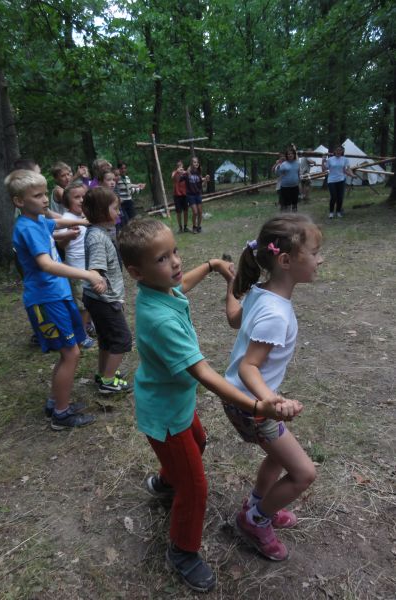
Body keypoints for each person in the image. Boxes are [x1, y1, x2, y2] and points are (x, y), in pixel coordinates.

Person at [118, 218, 301, 593]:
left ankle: (164, 482)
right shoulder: (158, 320)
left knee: (198, 445)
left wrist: (213, 266)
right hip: (165, 415)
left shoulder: (160, 290)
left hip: (176, 404)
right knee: (196, 487)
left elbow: (181, 287)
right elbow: (205, 373)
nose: (174, 263)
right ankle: (182, 550)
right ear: (137, 272)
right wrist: (257, 404)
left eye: (174, 252)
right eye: (161, 259)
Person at [224, 213, 322, 561]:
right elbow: (250, 366)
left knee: (277, 457)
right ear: (285, 260)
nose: (319, 259)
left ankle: (258, 504)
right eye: (314, 252)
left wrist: (230, 285)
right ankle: (255, 520)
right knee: (303, 473)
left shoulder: (258, 291)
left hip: (240, 400)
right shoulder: (276, 313)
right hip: (252, 405)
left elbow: (234, 318)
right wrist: (271, 401)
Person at [7, 169, 106, 430]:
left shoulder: (38, 220)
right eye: (37, 195)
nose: (44, 200)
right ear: (19, 201)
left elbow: (55, 220)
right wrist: (87, 273)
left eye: (43, 194)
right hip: (45, 299)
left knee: (68, 352)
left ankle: (55, 402)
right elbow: (47, 265)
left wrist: (87, 223)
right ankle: (61, 415)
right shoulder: (27, 227)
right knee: (70, 353)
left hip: (58, 295)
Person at [82, 187, 132, 393]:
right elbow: (95, 266)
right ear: (102, 211)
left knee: (106, 338)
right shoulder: (97, 237)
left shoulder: (98, 232)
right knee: (122, 339)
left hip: (99, 298)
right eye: (115, 208)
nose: (119, 212)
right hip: (103, 299)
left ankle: (103, 374)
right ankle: (109, 382)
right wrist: (99, 280)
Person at [61, 181, 95, 349]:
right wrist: (68, 236)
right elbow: (59, 243)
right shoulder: (66, 219)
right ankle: (81, 334)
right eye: (76, 197)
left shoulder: (84, 216)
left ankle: (88, 324)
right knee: (82, 304)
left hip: (88, 267)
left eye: (83, 196)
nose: (81, 200)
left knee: (89, 299)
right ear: (67, 201)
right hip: (76, 268)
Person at [322, 145, 356, 219]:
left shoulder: (345, 159)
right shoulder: (330, 159)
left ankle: (338, 212)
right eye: (337, 150)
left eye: (340, 150)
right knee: (333, 197)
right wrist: (323, 161)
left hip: (341, 180)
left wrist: (352, 175)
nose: (338, 151)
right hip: (331, 180)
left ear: (342, 152)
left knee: (340, 197)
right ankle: (331, 212)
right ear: (335, 151)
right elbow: (324, 170)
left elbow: (346, 170)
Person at [181, 156, 209, 234]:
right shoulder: (187, 173)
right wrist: (183, 172)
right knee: (195, 212)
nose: (196, 163)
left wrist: (206, 180)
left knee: (200, 212)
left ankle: (199, 227)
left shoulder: (198, 173)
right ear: (191, 163)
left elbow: (202, 185)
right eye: (194, 162)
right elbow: (179, 179)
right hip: (190, 195)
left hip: (198, 194)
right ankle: (194, 227)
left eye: (197, 162)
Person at [275, 147, 300, 212]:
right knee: (287, 204)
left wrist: (299, 181)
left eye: (291, 154)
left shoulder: (297, 163)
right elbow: (278, 174)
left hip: (295, 186)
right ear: (287, 155)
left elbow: (298, 173)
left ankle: (294, 218)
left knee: (295, 204)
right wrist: (278, 165)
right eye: (288, 154)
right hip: (285, 187)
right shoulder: (283, 164)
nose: (290, 155)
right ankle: (288, 218)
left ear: (294, 155)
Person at [171, 160, 189, 233]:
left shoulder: (185, 173)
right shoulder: (174, 172)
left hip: (185, 194)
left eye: (181, 165)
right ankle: (180, 227)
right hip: (177, 195)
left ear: (182, 165)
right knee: (178, 212)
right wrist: (177, 171)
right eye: (178, 165)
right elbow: (172, 177)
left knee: (186, 211)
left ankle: (185, 227)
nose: (180, 166)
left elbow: (190, 174)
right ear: (177, 166)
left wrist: (185, 172)